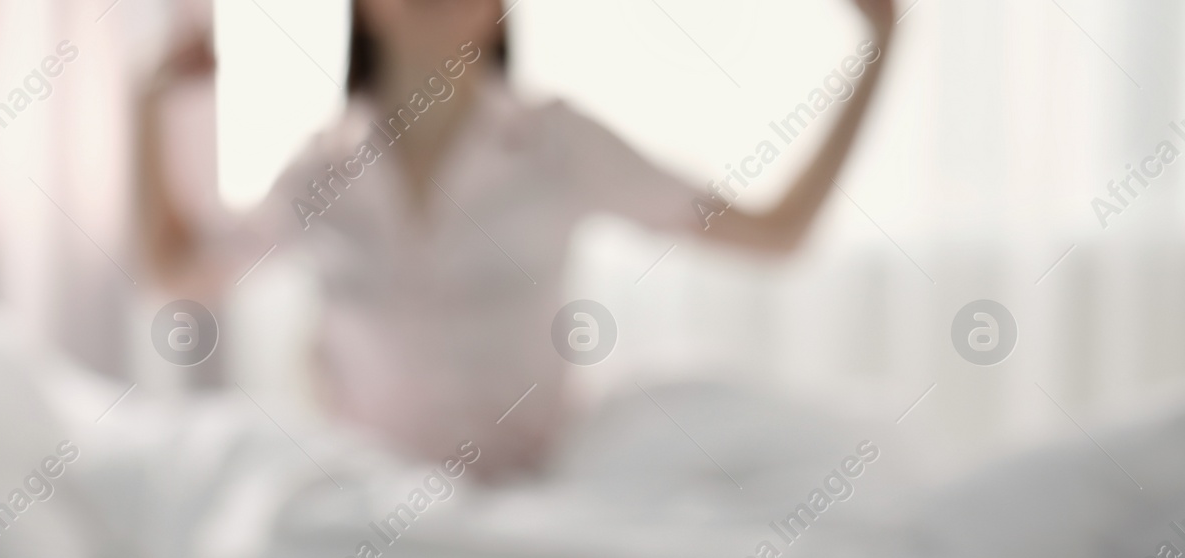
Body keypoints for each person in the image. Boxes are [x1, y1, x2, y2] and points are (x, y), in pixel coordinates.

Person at [139, 0, 897, 479]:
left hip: (533, 500)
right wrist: (145, 106)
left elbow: (776, 235)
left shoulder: (560, 147)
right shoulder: (315, 177)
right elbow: (173, 269)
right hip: (365, 517)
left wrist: (878, 49)